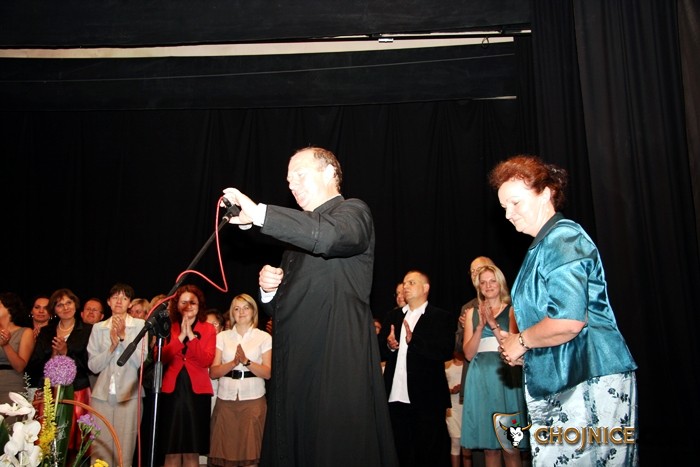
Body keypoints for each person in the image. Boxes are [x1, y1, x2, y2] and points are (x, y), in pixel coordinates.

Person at [221, 146, 398, 467]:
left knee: (334, 449)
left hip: (334, 361)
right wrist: (268, 293)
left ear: (330, 173)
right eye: (289, 182)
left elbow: (329, 237)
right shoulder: (295, 241)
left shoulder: (353, 212)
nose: (293, 186)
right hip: (295, 368)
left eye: (300, 176)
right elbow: (283, 310)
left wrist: (259, 214)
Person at [489, 155, 638, 465]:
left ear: (546, 193)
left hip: (589, 378)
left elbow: (569, 321)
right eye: (503, 207)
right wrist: (525, 350)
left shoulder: (563, 238)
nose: (508, 214)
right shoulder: (542, 246)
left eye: (515, 203)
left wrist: (522, 341)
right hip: (562, 379)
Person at [380, 270, 455, 467]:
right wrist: (389, 345)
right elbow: (378, 351)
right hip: (395, 397)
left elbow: (446, 351)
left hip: (427, 398)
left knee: (430, 454)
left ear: (425, 288)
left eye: (411, 282)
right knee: (400, 453)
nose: (406, 286)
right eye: (404, 283)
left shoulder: (441, 317)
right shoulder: (392, 316)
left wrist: (414, 341)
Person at [460, 265, 527, 467]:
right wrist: (480, 327)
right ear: (478, 287)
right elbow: (468, 354)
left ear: (500, 283)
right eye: (483, 282)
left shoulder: (513, 311)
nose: (488, 286)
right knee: (490, 449)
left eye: (492, 281)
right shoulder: (471, 313)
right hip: (480, 380)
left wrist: (493, 324)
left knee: (510, 447)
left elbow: (513, 347)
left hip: (505, 378)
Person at [209, 294, 272, 467]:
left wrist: (246, 361)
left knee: (251, 455)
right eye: (236, 309)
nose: (241, 312)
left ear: (253, 311)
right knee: (225, 454)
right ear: (232, 313)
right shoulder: (222, 337)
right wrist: (233, 363)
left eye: (246, 308)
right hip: (226, 400)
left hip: (253, 400)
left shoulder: (264, 337)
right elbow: (213, 372)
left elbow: (267, 373)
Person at [157, 284, 216, 467]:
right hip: (171, 391)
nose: (188, 306)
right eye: (184, 302)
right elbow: (160, 357)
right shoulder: (168, 326)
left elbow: (206, 360)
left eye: (193, 302)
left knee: (192, 451)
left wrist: (191, 336)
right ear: (177, 305)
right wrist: (181, 336)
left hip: (197, 393)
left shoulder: (208, 328)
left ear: (199, 306)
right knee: (171, 450)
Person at [87, 283, 146, 467]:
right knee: (100, 448)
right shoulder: (98, 328)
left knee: (124, 450)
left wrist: (123, 337)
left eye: (124, 298)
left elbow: (139, 361)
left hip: (129, 395)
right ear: (108, 302)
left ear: (130, 303)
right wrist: (111, 348)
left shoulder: (140, 325)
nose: (119, 301)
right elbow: (93, 366)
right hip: (102, 395)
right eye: (115, 297)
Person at [30, 288, 94, 452]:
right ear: (54, 309)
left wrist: (66, 352)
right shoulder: (46, 331)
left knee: (74, 439)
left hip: (77, 390)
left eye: (68, 303)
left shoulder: (88, 330)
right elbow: (34, 363)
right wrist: (52, 355)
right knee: (46, 438)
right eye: (59, 305)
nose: (65, 308)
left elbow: (90, 366)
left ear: (75, 304)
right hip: (48, 390)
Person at [455, 256, 493, 467]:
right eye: (472, 272)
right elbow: (458, 348)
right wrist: (465, 328)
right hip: (475, 380)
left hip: (503, 381)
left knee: (510, 442)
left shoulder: (510, 303)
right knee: (480, 443)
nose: (475, 275)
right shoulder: (467, 308)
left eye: (480, 269)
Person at [0, 292, 34, 405]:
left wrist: (6, 345)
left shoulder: (25, 332)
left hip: (11, 386)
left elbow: (20, 366)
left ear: (10, 308)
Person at [445, 350, 464, 467]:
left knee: (467, 445)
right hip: (452, 407)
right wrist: (451, 390)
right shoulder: (446, 363)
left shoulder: (468, 363)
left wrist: (463, 386)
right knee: (455, 441)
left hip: (466, 405)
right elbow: (438, 385)